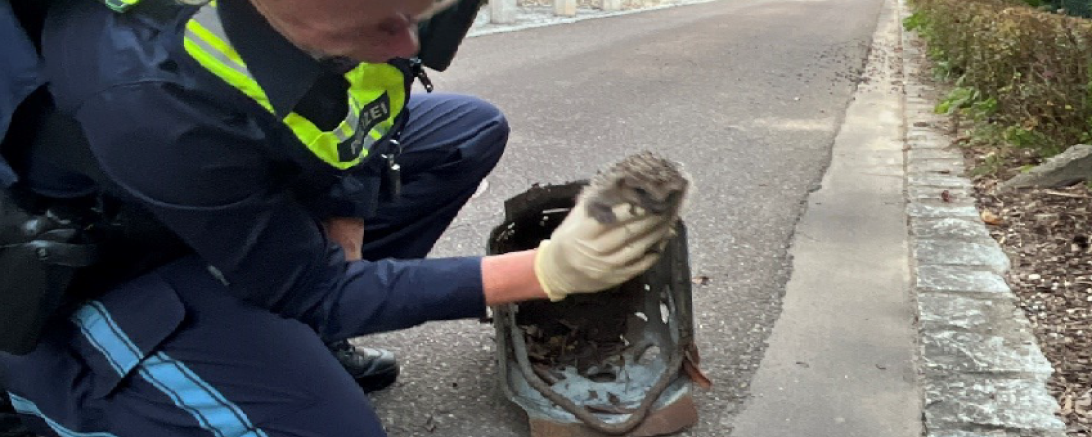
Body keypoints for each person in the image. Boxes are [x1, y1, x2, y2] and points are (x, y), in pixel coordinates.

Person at [0, 0, 676, 435]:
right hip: (108, 259)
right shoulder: (144, 95)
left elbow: (366, 110)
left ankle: (301, 329)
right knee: (328, 426)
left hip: (224, 187)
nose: (405, 38)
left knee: (466, 130)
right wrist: (548, 271)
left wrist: (347, 227)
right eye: (382, 19)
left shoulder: (332, 21)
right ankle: (53, 397)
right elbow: (310, 287)